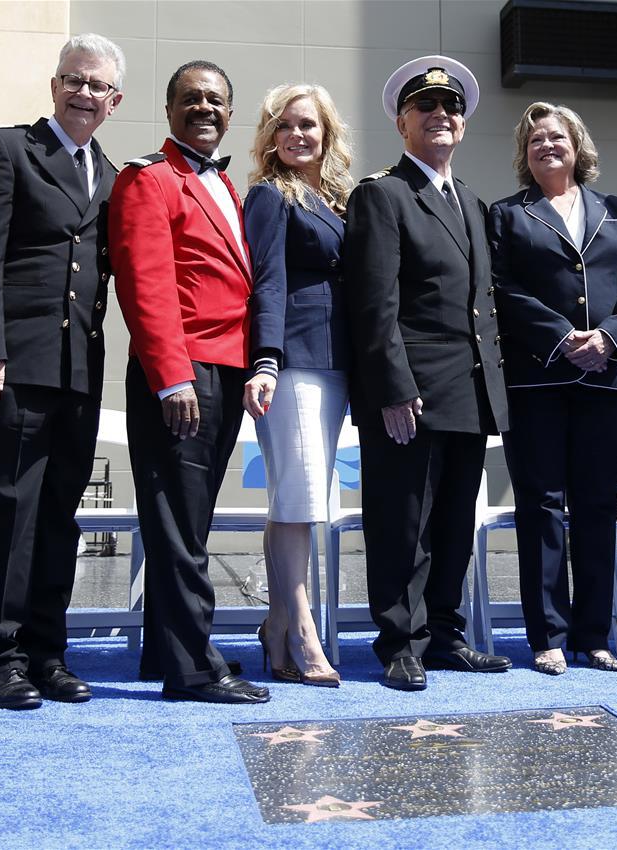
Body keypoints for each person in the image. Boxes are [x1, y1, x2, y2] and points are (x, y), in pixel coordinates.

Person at [0, 34, 124, 710]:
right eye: (73, 80)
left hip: (78, 370)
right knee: (9, 509)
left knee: (59, 514)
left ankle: (47, 652)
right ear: (55, 86)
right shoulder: (7, 148)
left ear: (114, 101)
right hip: (13, 363)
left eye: (96, 86)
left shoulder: (111, 177)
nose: (83, 93)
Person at [343, 56, 511, 691]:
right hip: (410, 393)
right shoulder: (383, 196)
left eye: (451, 109)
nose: (441, 116)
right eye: (426, 108)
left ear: (462, 126)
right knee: (402, 522)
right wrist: (391, 388)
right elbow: (373, 304)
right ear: (401, 121)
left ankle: (444, 633)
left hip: (467, 391)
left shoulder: (470, 201)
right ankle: (400, 643)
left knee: (452, 523)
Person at [109, 60, 269, 704]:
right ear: (170, 108)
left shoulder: (226, 187)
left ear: (231, 113)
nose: (205, 109)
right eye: (191, 99)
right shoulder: (149, 179)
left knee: (188, 519)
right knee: (177, 519)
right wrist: (171, 376)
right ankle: (194, 668)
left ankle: (164, 649)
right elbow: (145, 285)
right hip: (182, 372)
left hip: (224, 370)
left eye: (217, 101)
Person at [488, 102, 617, 675]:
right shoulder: (507, 215)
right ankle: (548, 635)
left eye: (556, 137)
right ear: (524, 155)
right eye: (535, 141)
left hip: (605, 377)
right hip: (538, 378)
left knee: (596, 506)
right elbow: (502, 288)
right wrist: (562, 338)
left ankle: (594, 634)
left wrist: (609, 337)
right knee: (541, 505)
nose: (546, 147)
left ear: (578, 146)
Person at [241, 84, 353, 687]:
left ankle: (277, 625)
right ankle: (306, 633)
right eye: (284, 126)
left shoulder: (335, 200)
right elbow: (268, 282)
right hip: (292, 363)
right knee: (301, 496)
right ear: (269, 136)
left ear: (326, 132)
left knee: (299, 499)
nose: (296, 135)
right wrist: (265, 360)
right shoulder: (268, 196)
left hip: (336, 365)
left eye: (307, 125)